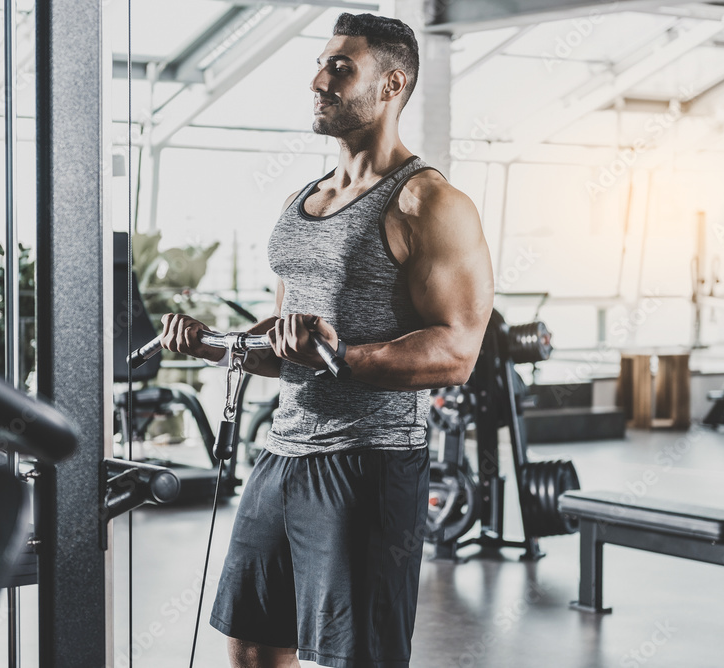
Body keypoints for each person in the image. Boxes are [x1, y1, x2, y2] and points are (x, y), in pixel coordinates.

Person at [160, 12, 493, 668]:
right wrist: (214, 346)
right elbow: (283, 342)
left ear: (392, 84)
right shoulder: (303, 199)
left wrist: (338, 355)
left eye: (342, 68)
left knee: (357, 658)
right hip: (281, 454)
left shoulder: (428, 203)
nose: (320, 79)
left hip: (367, 464)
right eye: (321, 64)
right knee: (253, 647)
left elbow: (458, 352)